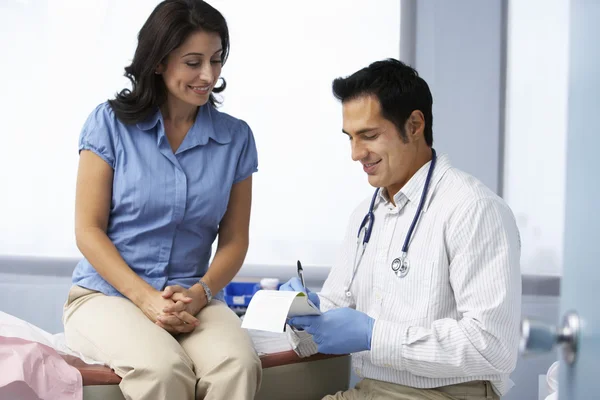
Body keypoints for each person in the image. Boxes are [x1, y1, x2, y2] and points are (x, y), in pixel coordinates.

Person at [280, 59, 521, 400]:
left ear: (414, 125)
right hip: (368, 390)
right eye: (350, 138)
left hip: (447, 393)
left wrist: (374, 336)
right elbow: (338, 312)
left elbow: (492, 346)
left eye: (369, 135)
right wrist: (303, 313)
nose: (355, 154)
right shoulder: (365, 215)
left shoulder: (472, 209)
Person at [62, 1, 262, 399]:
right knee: (163, 370)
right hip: (108, 296)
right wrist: (146, 299)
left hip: (191, 298)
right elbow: (88, 230)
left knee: (238, 365)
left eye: (216, 60)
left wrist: (199, 293)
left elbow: (235, 239)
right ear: (158, 62)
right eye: (193, 62)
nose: (208, 75)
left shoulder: (235, 138)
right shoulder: (109, 125)